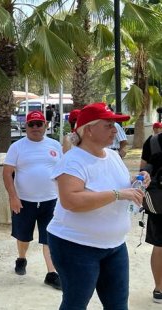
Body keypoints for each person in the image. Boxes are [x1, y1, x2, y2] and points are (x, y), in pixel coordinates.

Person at [47, 102, 149, 309]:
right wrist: (118, 194)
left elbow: (116, 183)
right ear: (89, 129)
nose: (115, 130)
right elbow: (71, 201)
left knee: (118, 305)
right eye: (108, 125)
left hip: (114, 246)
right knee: (76, 304)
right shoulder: (73, 161)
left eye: (115, 125)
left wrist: (137, 180)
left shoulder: (112, 155)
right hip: (75, 246)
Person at [3, 111, 62, 289]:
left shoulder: (55, 145)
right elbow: (7, 173)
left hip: (50, 200)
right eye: (31, 124)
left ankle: (52, 273)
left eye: (39, 123)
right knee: (23, 237)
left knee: (49, 238)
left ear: (46, 125)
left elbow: (63, 171)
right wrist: (13, 197)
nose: (35, 127)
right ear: (25, 126)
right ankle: (21, 258)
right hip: (24, 201)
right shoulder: (17, 147)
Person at [141, 123, 162, 303]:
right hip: (159, 202)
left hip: (158, 202)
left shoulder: (153, 142)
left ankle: (159, 289)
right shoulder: (153, 141)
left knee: (159, 245)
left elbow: (143, 170)